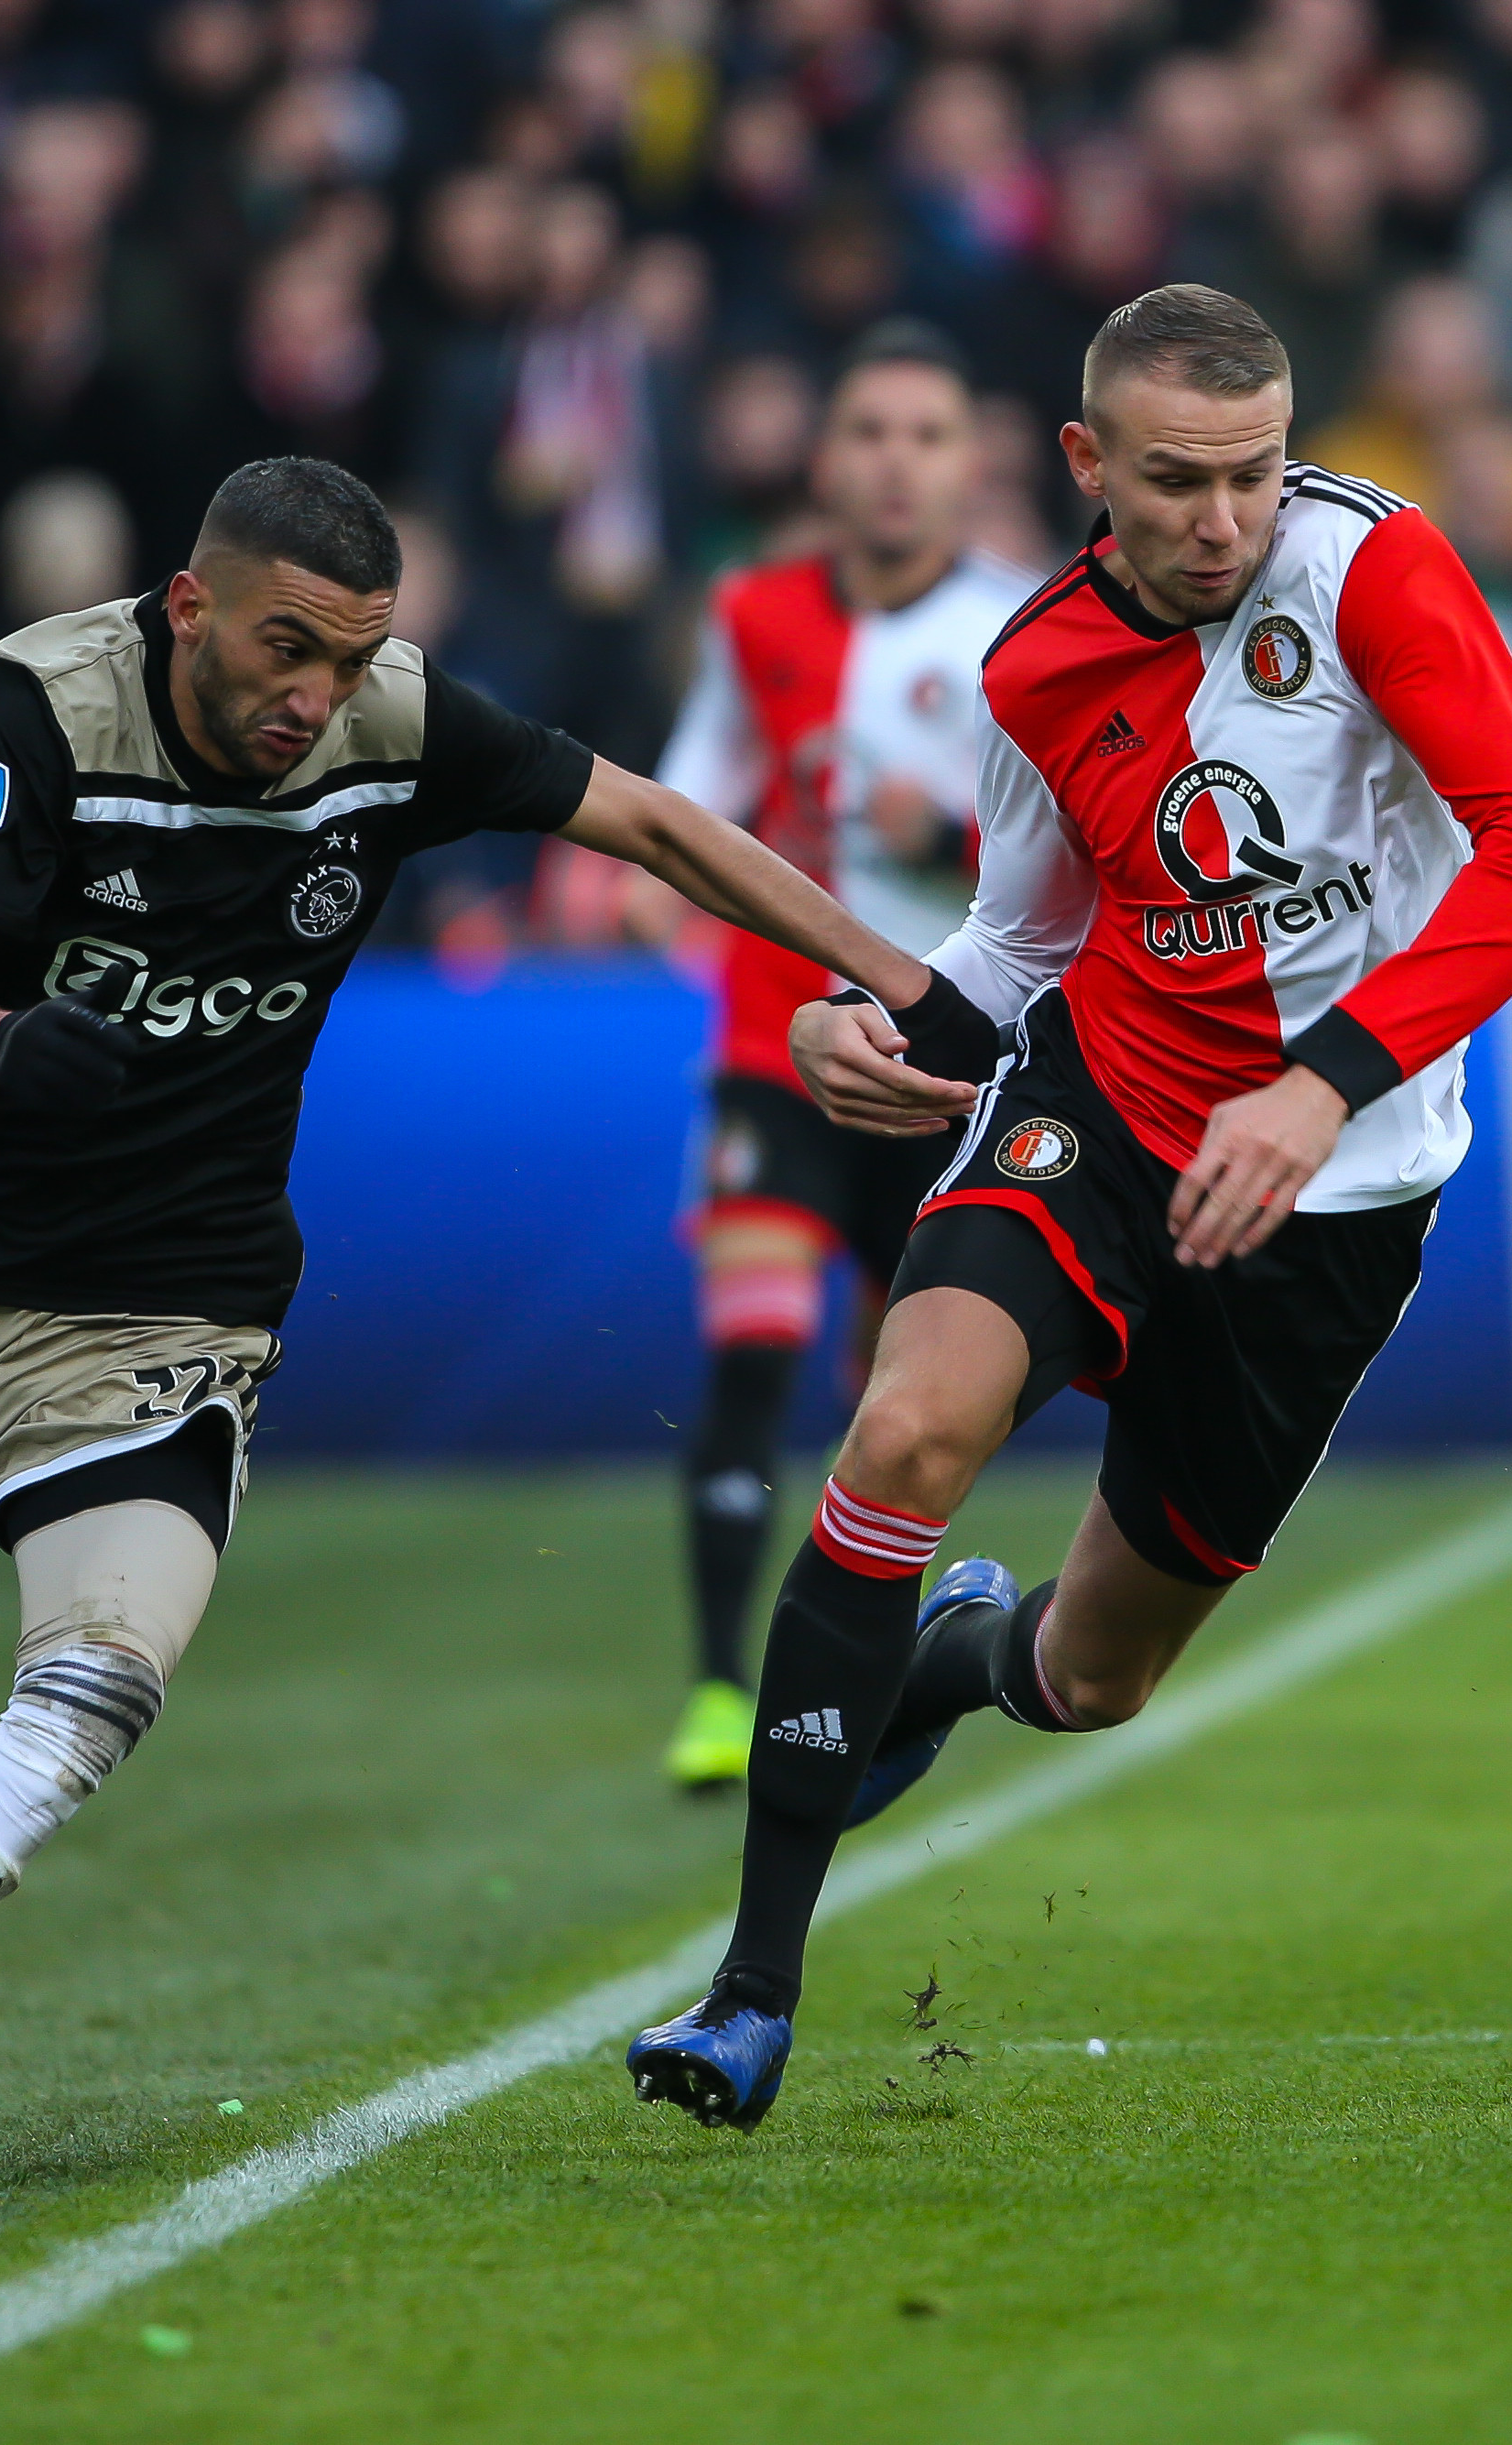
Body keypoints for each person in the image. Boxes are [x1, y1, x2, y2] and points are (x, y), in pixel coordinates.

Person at [0, 455, 989, 2189]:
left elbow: (655, 822)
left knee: (92, 1693)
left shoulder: (386, 720)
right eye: (283, 652)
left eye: (351, 657)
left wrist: (915, 982)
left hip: (176, 1300)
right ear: (190, 609)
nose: (313, 699)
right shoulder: (40, 705)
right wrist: (4, 1044)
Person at [625, 287, 1512, 2130]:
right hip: (1108, 1119)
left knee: (1091, 1680)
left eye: (1254, 473)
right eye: (1179, 482)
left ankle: (957, 1666)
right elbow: (1020, 940)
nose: (1227, 519)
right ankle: (751, 1995)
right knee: (904, 1428)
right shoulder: (1035, 665)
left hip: (1339, 1189)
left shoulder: (1375, 575)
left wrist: (1323, 1088)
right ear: (1088, 466)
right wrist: (879, 1020)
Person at [650, 320, 1037, 1792]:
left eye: (925, 435)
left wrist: (949, 838)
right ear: (824, 461)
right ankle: (706, 1683)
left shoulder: (1021, 625)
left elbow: (1071, 849)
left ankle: (875, 1663)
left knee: (904, 1397)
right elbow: (697, 794)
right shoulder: (752, 614)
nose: (894, 462)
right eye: (868, 431)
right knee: (751, 1340)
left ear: (967, 463)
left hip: (944, 1057)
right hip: (772, 1035)